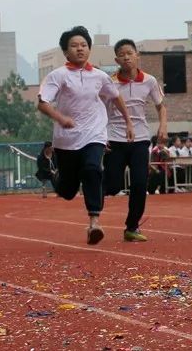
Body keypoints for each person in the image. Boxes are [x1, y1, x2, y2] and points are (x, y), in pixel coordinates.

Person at [38, 26, 134, 244]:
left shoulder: (99, 76)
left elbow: (116, 96)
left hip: (94, 134)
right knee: (68, 191)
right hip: (66, 139)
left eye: (84, 45)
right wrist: (61, 118)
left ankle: (94, 223)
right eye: (74, 46)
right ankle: (55, 175)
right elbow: (42, 103)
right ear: (65, 52)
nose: (80, 49)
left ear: (89, 49)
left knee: (92, 169)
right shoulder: (58, 76)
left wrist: (128, 122)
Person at [103, 38, 167, 242]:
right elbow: (100, 110)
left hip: (140, 139)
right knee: (113, 186)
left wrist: (162, 126)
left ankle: (132, 227)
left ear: (137, 56)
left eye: (130, 53)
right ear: (116, 59)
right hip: (115, 138)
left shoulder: (149, 81)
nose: (126, 57)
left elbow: (161, 106)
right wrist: (101, 135)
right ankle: (93, 182)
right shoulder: (109, 82)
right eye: (122, 54)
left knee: (140, 184)